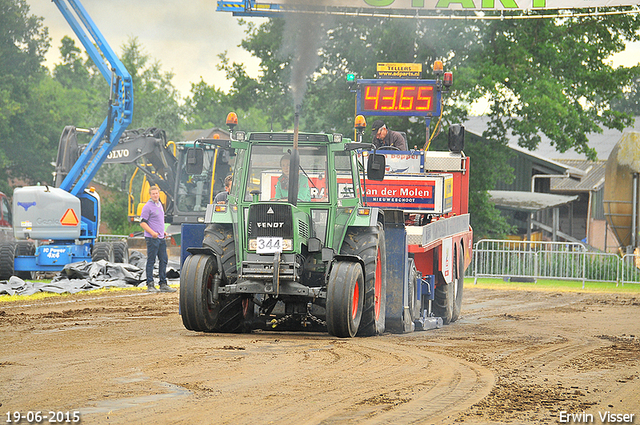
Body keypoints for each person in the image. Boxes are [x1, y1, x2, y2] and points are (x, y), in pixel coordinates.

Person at [140, 185, 175, 293]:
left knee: (163, 260)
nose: (155, 195)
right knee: (151, 261)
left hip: (161, 237)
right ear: (150, 195)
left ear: (159, 194)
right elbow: (142, 223)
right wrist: (152, 233)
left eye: (157, 193)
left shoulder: (160, 205)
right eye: (153, 194)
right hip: (152, 238)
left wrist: (162, 231)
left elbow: (158, 221)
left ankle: (163, 283)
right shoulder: (147, 207)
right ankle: (150, 284)